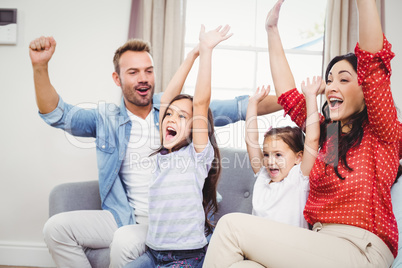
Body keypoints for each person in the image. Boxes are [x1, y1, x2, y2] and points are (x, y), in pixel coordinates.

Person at [29, 32, 281, 266]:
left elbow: (238, 106)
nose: (143, 78)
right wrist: (40, 67)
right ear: (117, 78)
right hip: (121, 215)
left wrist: (296, 100)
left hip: (165, 225)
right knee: (56, 228)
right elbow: (59, 115)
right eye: (133, 72)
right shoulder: (107, 119)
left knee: (125, 240)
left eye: (148, 71)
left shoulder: (174, 113)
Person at [203, 0, 400, 267]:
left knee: (230, 228)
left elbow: (374, 62)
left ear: (367, 91)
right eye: (329, 79)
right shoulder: (330, 139)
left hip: (359, 248)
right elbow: (288, 96)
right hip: (317, 243)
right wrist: (271, 30)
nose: (331, 86)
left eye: (343, 79)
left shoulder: (381, 132)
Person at [122, 24, 232, 268]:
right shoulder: (162, 153)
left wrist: (206, 52)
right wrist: (191, 56)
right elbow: (164, 100)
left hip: (186, 255)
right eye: (169, 115)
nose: (171, 118)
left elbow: (201, 102)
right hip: (154, 253)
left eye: (182, 116)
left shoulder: (196, 156)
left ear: (196, 128)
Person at [245, 78, 320, 229]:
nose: (270, 161)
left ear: (298, 157)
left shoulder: (298, 178)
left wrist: (311, 96)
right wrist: (253, 103)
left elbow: (312, 140)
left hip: (288, 248)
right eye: (266, 155)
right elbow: (250, 141)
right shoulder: (262, 176)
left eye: (278, 155)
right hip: (258, 246)